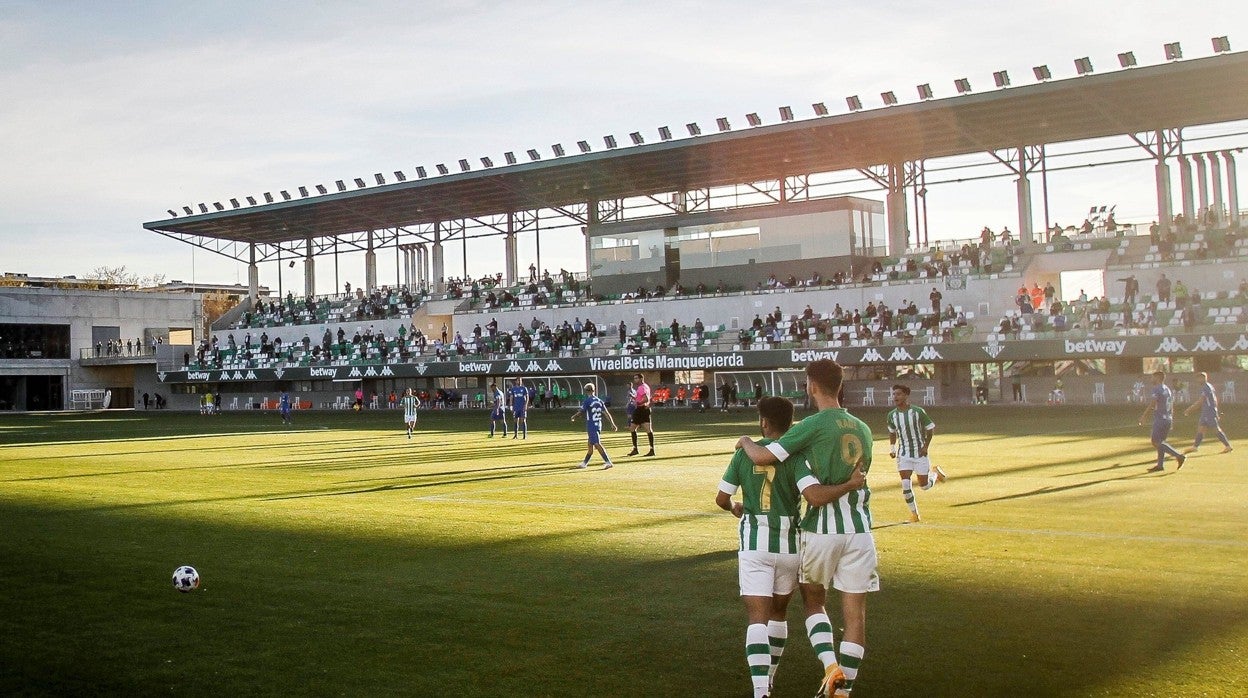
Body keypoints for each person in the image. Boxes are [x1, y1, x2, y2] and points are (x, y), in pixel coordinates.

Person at [736, 360, 875, 698]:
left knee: (814, 602)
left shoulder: (812, 424)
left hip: (822, 531)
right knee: (855, 616)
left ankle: (829, 666)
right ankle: (842, 692)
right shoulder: (864, 428)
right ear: (840, 385)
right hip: (860, 530)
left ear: (812, 385)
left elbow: (764, 458)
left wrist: (743, 441)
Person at [886, 384, 946, 523]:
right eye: (894, 394)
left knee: (924, 486)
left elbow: (930, 428)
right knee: (905, 484)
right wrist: (892, 448)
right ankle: (914, 514)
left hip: (919, 453)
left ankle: (935, 474)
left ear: (906, 395)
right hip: (904, 454)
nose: (895, 397)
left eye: (899, 394)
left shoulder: (918, 412)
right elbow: (892, 432)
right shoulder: (892, 415)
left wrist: (925, 446)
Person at [1139, 371, 1186, 473]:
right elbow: (1171, 404)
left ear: (1157, 378)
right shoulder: (1167, 389)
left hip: (1160, 419)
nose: (1151, 379)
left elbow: (1153, 403)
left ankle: (1178, 456)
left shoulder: (1157, 389)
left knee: (1155, 441)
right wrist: (1171, 419)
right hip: (1167, 419)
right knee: (1160, 442)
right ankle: (1160, 465)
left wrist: (1144, 416)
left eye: (1152, 377)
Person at [1182, 372, 1233, 455]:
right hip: (1206, 411)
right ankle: (1195, 447)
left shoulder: (1206, 387)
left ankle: (1228, 446)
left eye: (1198, 378)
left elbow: (1201, 401)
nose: (1197, 380)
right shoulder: (1209, 386)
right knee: (1201, 428)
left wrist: (1189, 409)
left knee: (1216, 429)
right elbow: (1215, 399)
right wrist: (1215, 409)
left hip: (1209, 412)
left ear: (1203, 378)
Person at [570, 383, 618, 469]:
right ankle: (584, 463)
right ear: (594, 390)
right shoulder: (599, 401)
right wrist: (612, 423)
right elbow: (606, 413)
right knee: (590, 445)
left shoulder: (587, 401)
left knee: (597, 444)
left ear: (586, 391)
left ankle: (608, 462)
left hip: (591, 425)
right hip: (598, 424)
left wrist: (574, 416)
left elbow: (581, 411)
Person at [626, 373, 655, 456]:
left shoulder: (642, 387)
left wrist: (638, 402)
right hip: (642, 409)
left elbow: (646, 398)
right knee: (633, 428)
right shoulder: (645, 387)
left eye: (636, 378)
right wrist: (634, 397)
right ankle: (638, 449)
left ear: (641, 379)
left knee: (646, 429)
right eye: (634, 378)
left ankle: (648, 450)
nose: (635, 380)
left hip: (641, 409)